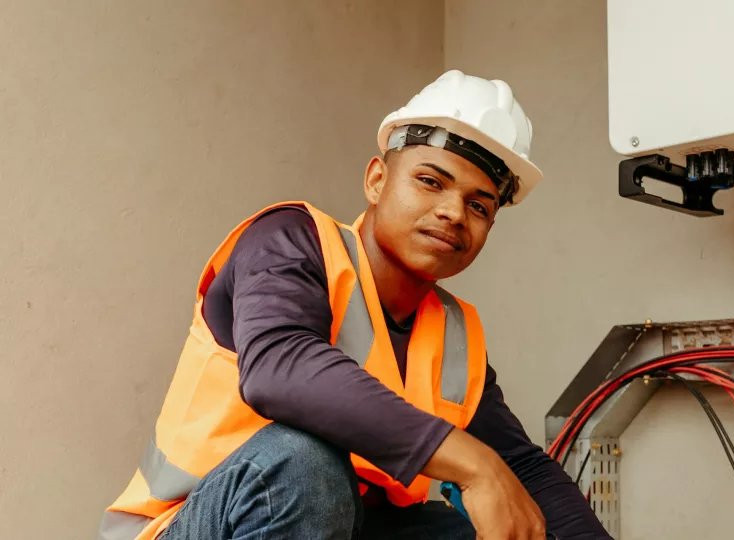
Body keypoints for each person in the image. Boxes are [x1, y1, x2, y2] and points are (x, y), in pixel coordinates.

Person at [97, 70, 612, 540]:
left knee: (478, 528)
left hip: (336, 523)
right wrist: (474, 463)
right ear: (376, 180)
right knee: (301, 463)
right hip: (189, 526)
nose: (454, 212)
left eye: (479, 205)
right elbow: (280, 366)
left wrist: (502, 477)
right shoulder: (288, 241)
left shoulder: (452, 339)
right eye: (430, 181)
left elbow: (523, 468)